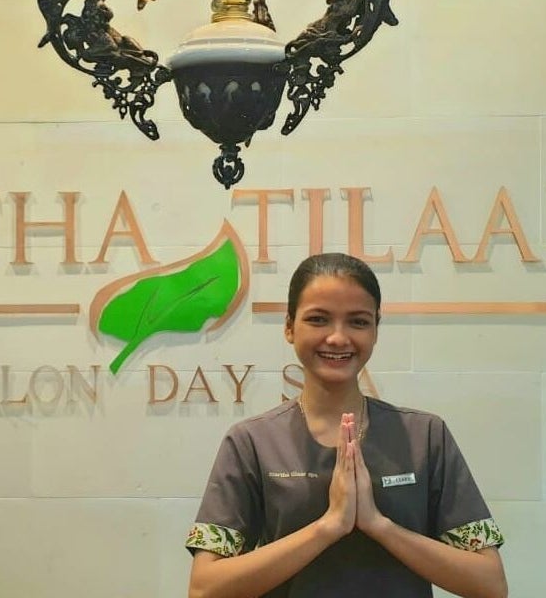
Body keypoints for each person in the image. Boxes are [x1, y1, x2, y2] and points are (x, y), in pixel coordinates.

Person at [186, 253, 507, 598]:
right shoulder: (252, 443)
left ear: (375, 329)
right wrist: (329, 526)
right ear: (290, 327)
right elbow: (206, 588)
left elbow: (488, 583)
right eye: (319, 319)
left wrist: (378, 524)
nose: (338, 338)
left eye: (358, 321)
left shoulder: (425, 436)